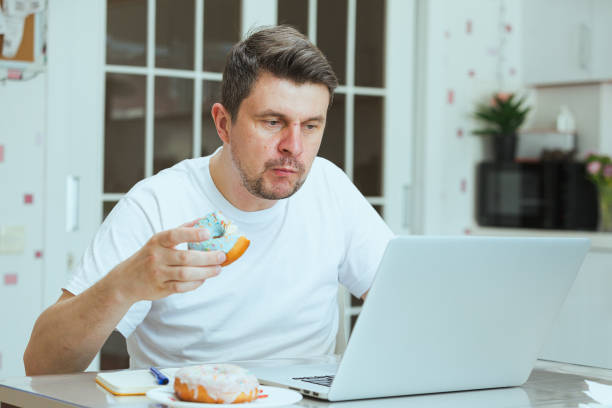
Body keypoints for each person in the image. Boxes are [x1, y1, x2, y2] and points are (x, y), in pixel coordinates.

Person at [24, 25, 393, 374]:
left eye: (311, 126)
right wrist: (123, 286)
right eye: (272, 122)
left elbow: (406, 303)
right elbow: (41, 365)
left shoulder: (330, 187)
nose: (293, 147)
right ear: (223, 124)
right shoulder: (157, 204)